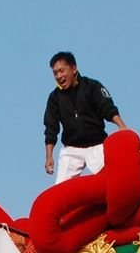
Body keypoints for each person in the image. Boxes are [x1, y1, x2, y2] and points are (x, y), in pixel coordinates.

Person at [42, 51, 127, 183]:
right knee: (61, 191)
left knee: (112, 181)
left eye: (61, 71)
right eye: (55, 73)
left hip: (97, 145)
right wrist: (49, 157)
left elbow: (107, 108)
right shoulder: (54, 98)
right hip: (71, 149)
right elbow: (50, 127)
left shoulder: (92, 86)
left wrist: (122, 127)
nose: (59, 76)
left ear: (74, 69)